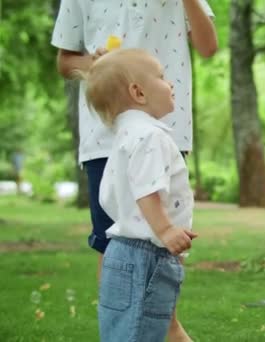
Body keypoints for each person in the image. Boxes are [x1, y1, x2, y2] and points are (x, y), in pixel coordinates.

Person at [51, 1, 217, 340]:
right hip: (104, 135)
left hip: (166, 125)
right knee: (112, 242)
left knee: (161, 252)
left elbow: (208, 46)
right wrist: (97, 65)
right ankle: (128, 328)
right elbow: (65, 61)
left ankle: (157, 327)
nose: (164, 79)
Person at [77, 48, 198, 342]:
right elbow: (148, 190)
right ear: (138, 93)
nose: (170, 84)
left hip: (122, 251)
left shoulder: (125, 137)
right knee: (140, 333)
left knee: (124, 330)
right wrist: (166, 229)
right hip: (146, 255)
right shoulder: (150, 137)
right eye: (161, 76)